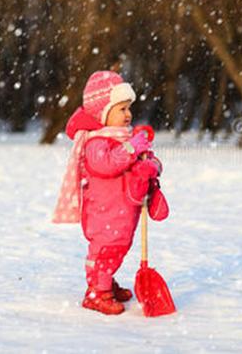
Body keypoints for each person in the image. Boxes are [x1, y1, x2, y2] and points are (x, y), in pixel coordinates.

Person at [52, 70, 169, 315]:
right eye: (121, 109)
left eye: (129, 108)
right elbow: (106, 165)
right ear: (103, 112)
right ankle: (97, 290)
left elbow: (147, 159)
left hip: (125, 210)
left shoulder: (126, 138)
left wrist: (152, 165)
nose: (128, 115)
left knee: (120, 246)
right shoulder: (96, 142)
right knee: (107, 248)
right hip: (104, 212)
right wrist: (130, 149)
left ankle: (106, 280)